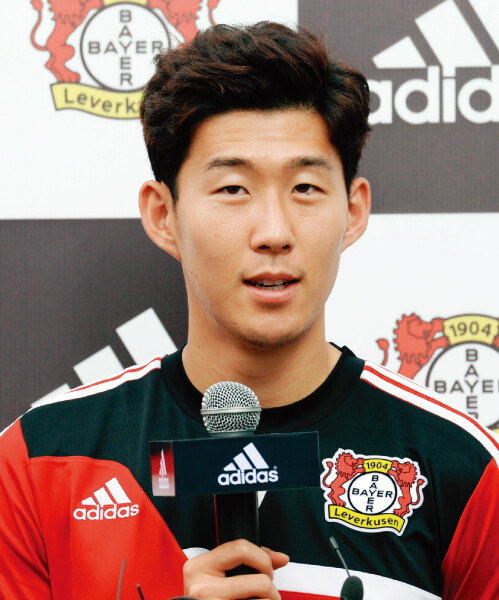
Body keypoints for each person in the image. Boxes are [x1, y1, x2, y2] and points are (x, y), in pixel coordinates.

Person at [0, 21, 497, 600]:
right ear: (163, 215)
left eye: (305, 187)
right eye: (234, 188)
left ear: (354, 210)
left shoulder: (459, 462)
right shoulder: (38, 459)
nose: (274, 232)